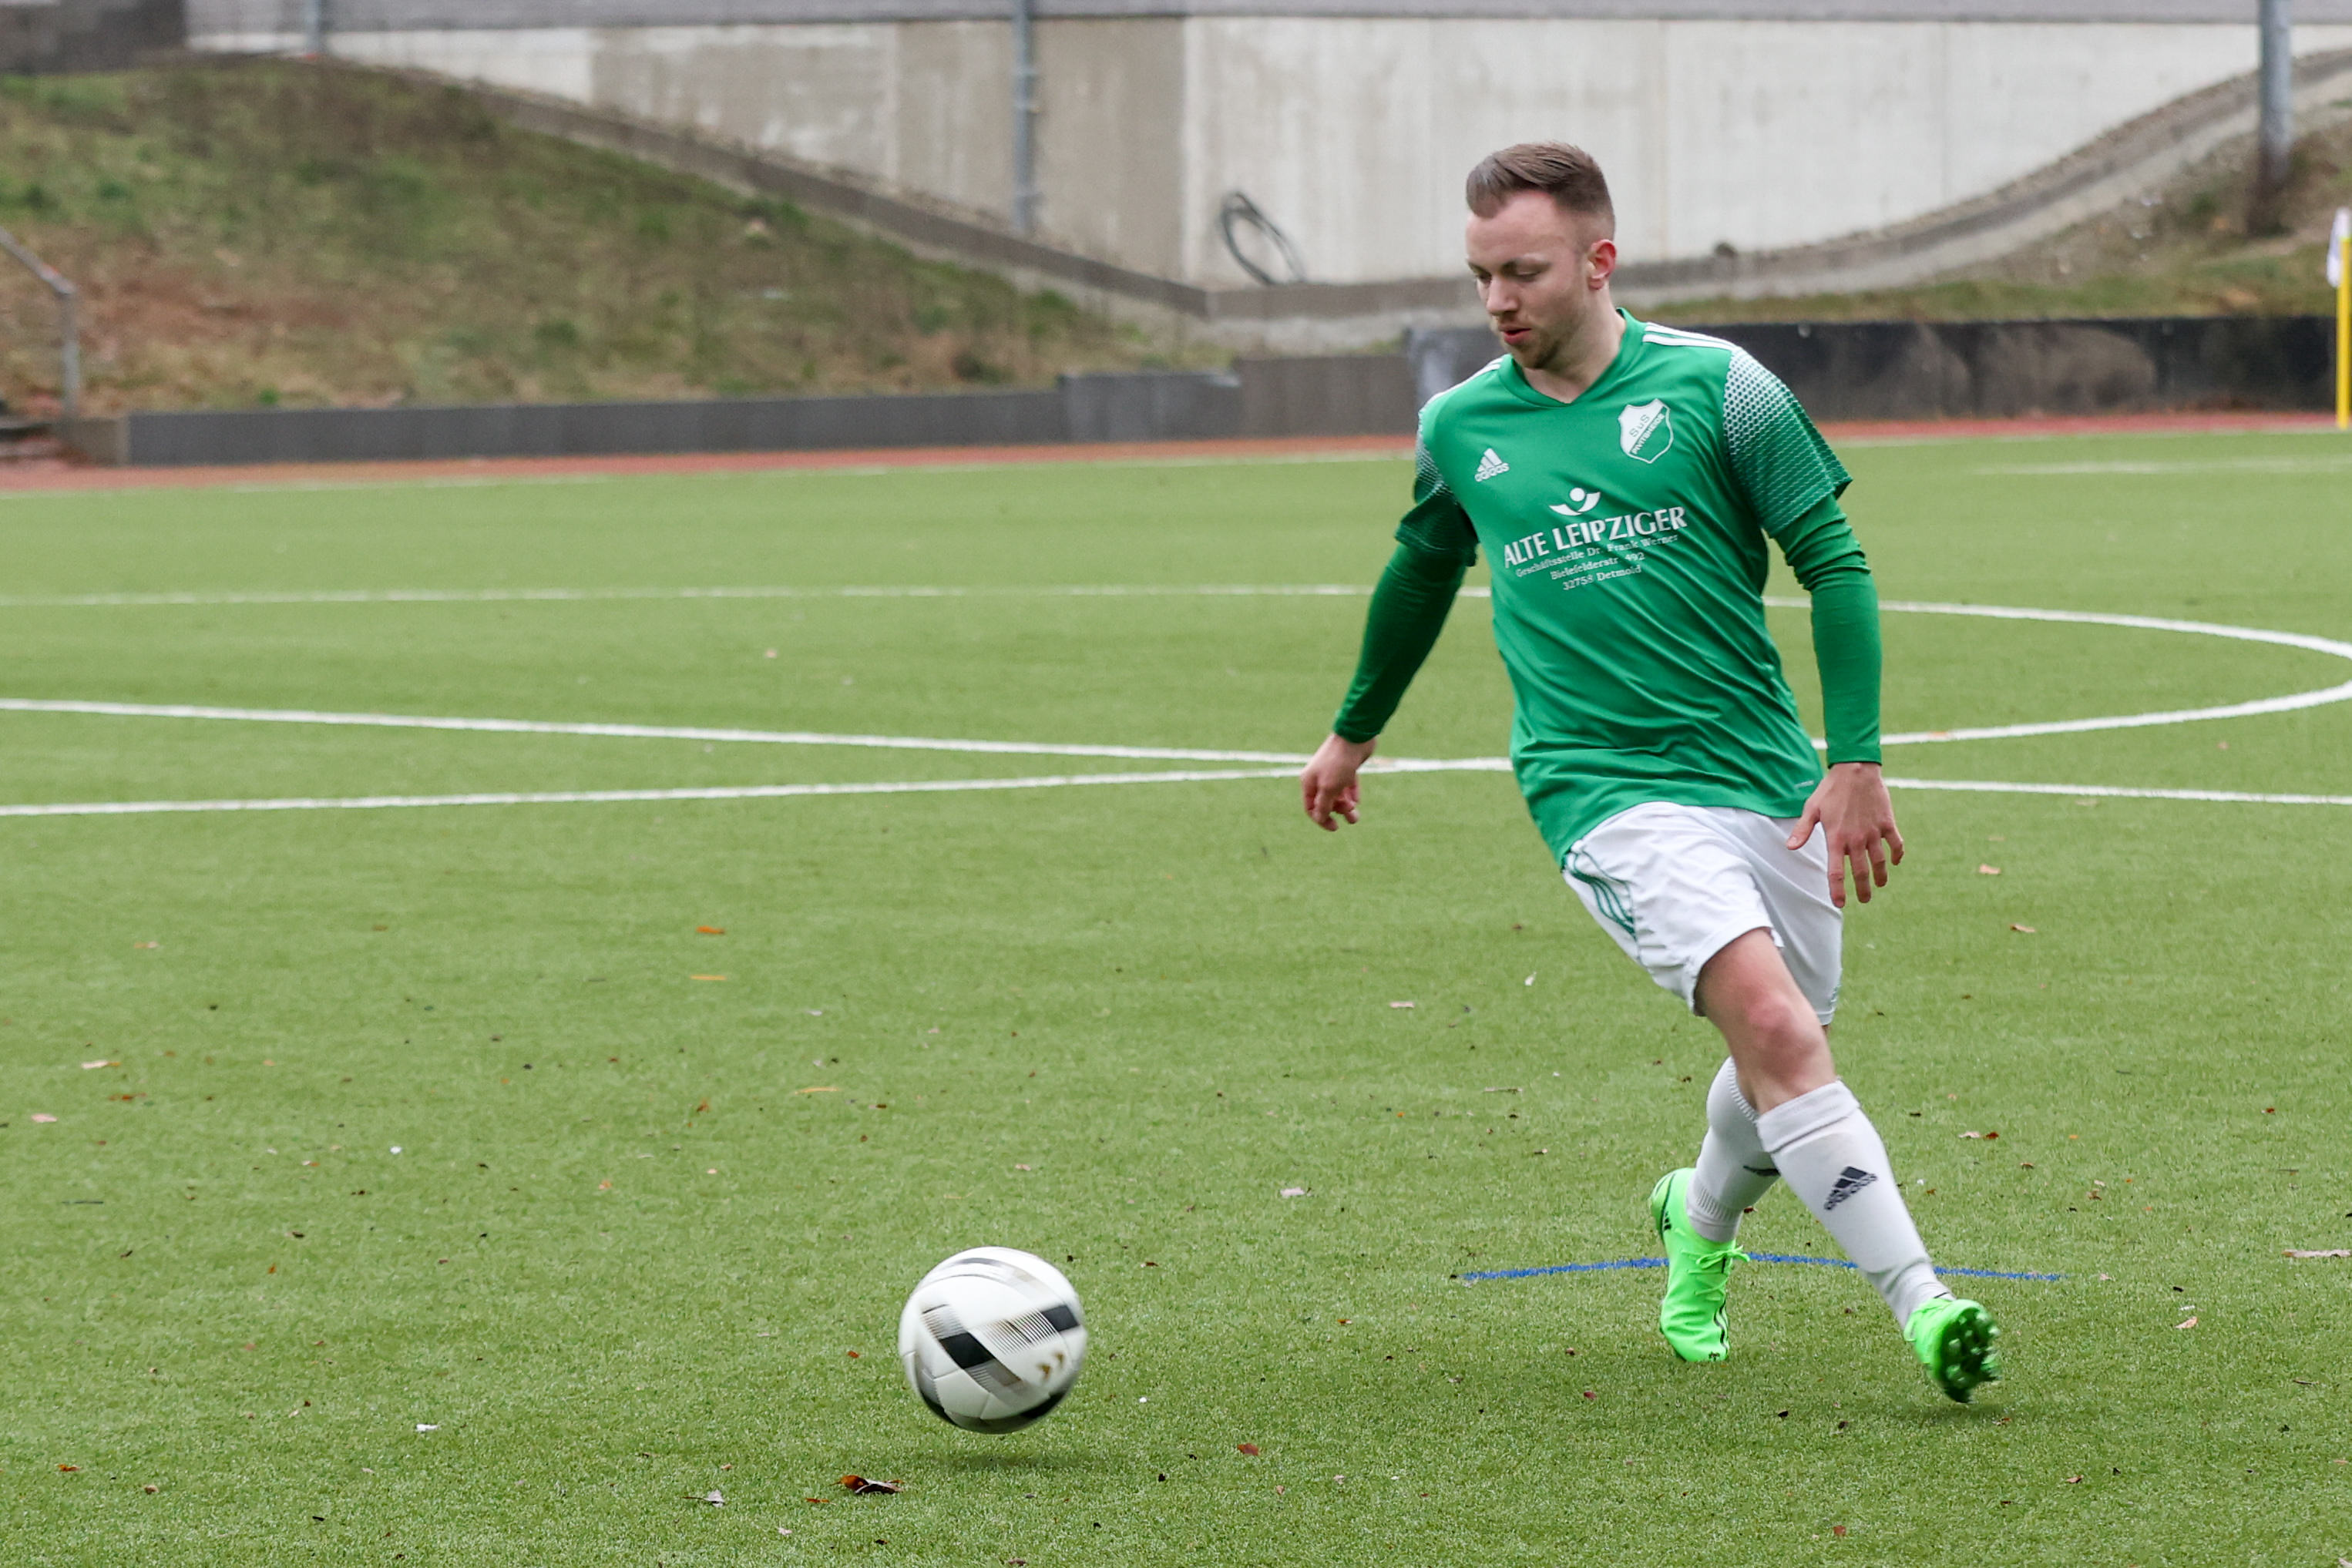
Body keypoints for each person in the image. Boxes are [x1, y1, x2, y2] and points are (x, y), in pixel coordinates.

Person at [1299, 142, 1999, 1401]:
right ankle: (1926, 1305)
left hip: (1761, 771)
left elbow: (1835, 564)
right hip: (1600, 785)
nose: (1498, 301)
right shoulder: (1461, 425)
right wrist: (1354, 731)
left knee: (1784, 1043)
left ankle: (1699, 1212)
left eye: (1523, 272)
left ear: (1599, 261)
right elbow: (1422, 568)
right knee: (1775, 1025)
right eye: (1480, 276)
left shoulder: (1723, 390)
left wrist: (1855, 759)